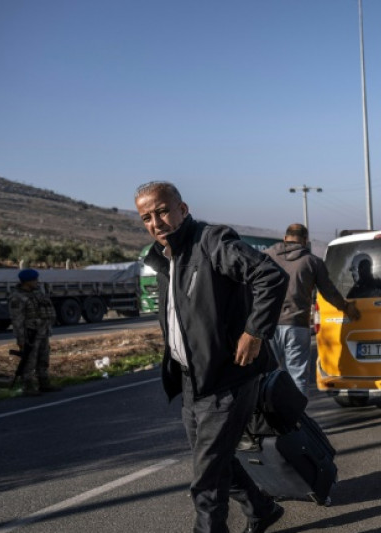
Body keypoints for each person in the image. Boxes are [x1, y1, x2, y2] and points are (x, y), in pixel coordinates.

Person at [135, 181, 289, 533]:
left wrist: (254, 333)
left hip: (227, 376)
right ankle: (262, 509)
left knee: (206, 480)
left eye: (161, 211)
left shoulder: (210, 241)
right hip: (193, 379)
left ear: (182, 209)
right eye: (146, 217)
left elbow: (270, 276)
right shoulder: (163, 258)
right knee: (214, 461)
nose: (156, 222)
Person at [265, 223, 360, 397]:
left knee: (265, 376)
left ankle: (266, 421)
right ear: (305, 240)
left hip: (268, 325)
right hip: (297, 326)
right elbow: (329, 292)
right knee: (297, 377)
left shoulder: (267, 256)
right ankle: (297, 420)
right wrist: (346, 308)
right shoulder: (312, 261)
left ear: (285, 238)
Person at [8, 268, 59, 396]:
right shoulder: (17, 297)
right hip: (30, 334)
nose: (37, 281)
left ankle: (44, 383)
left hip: (43, 331)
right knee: (29, 361)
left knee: (43, 358)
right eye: (34, 280)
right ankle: (28, 386)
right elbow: (17, 320)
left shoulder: (37, 292)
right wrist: (20, 339)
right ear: (27, 282)